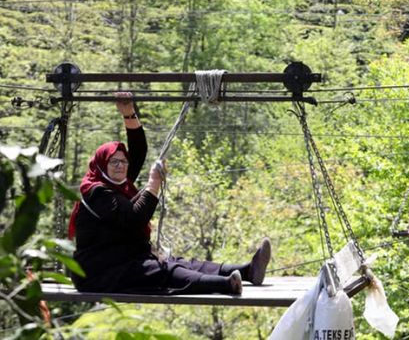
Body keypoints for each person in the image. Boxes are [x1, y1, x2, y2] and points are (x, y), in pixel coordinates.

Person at [69, 92, 271, 295]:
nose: (120, 166)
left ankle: (248, 271)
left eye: (123, 161)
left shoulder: (118, 182)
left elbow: (139, 150)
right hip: (100, 272)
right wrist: (153, 184)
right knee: (164, 270)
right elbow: (134, 219)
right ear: (103, 165)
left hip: (126, 258)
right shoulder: (97, 192)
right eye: (114, 162)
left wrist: (129, 113)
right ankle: (226, 284)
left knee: (180, 263)